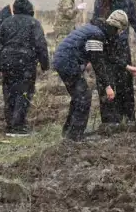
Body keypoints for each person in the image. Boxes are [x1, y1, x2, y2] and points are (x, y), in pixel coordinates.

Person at [52, 10, 131, 141]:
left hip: (62, 59)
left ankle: (68, 132)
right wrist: (108, 86)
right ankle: (75, 137)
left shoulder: (96, 29)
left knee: (78, 97)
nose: (118, 34)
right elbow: (98, 62)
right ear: (116, 27)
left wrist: (127, 66)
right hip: (68, 62)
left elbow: (105, 56)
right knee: (84, 97)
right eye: (119, 31)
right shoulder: (96, 34)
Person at [91, 0, 136, 122]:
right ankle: (110, 119)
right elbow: (96, 22)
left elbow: (135, 21)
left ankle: (128, 115)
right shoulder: (101, 2)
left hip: (122, 46)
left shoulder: (127, 1)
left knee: (125, 81)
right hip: (105, 44)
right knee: (108, 80)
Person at [0, 0, 50, 136]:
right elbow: (40, 44)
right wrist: (45, 64)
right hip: (26, 64)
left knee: (9, 93)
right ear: (30, 9)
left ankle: (10, 123)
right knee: (24, 93)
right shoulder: (34, 23)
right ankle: (18, 126)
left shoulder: (6, 22)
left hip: (8, 63)